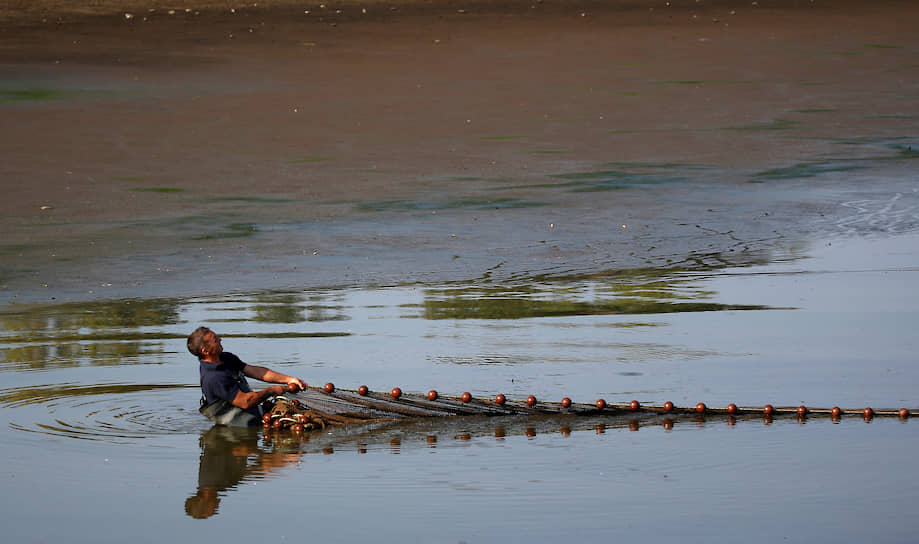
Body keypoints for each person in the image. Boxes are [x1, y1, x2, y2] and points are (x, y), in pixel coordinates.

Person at [187, 326, 307, 426]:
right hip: (235, 430)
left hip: (253, 414)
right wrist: (272, 391)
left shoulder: (226, 358)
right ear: (205, 351)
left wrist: (290, 379)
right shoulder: (214, 377)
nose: (220, 339)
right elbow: (245, 402)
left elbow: (256, 372)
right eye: (215, 340)